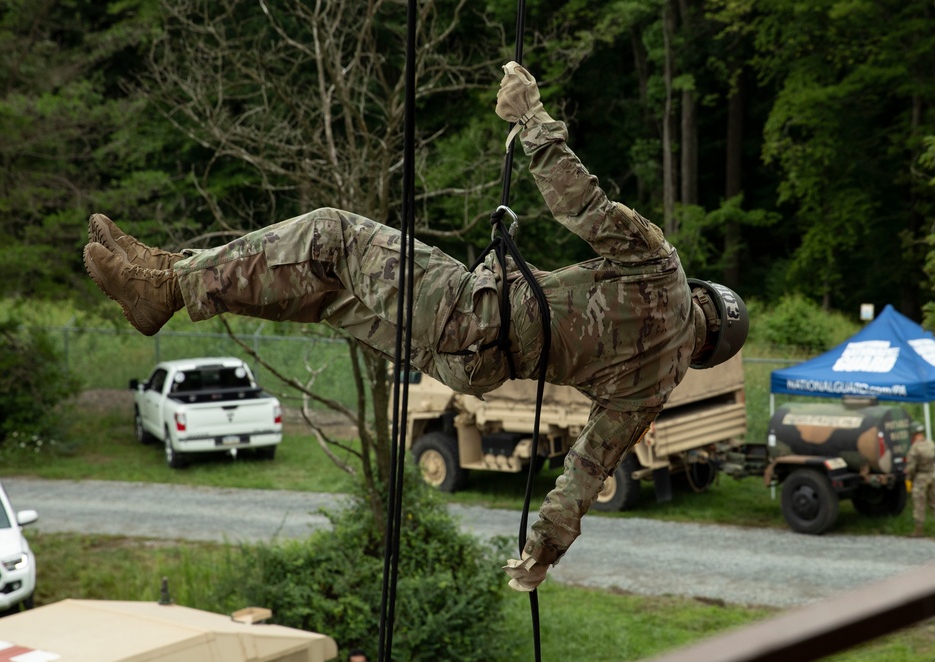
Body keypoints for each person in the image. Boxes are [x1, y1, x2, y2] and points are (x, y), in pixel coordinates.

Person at [82, 62, 748, 592]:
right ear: (705, 352)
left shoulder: (663, 269)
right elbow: (585, 471)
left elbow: (583, 205)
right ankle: (172, 282)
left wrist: (532, 118)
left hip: (469, 309)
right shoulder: (651, 390)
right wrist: (540, 553)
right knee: (326, 294)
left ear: (705, 300)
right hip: (473, 368)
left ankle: (171, 282)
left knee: (332, 235)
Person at [905, 423, 935, 537]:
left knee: (919, 503)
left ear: (913, 434)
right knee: (933, 502)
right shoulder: (931, 444)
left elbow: (911, 467)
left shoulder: (915, 448)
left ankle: (919, 530)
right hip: (933, 475)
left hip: (920, 478)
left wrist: (910, 478)